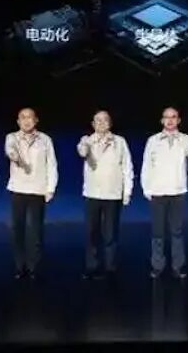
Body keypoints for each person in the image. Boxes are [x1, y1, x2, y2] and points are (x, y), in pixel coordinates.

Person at [141, 107, 188, 280]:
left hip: (178, 191)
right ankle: (157, 266)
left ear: (178, 120)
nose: (170, 120)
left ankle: (178, 266)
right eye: (166, 117)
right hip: (158, 191)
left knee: (177, 231)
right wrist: (146, 188)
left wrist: (187, 145)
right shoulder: (153, 140)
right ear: (162, 121)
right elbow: (146, 166)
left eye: (173, 117)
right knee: (158, 232)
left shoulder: (185, 139)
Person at [77, 110, 134, 280]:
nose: (101, 123)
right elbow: (82, 152)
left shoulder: (119, 142)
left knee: (110, 233)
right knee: (91, 232)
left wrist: (127, 191)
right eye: (98, 120)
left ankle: (110, 267)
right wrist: (85, 144)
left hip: (113, 193)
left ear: (110, 123)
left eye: (105, 120)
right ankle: (92, 266)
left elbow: (127, 167)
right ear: (93, 124)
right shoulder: (87, 140)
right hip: (92, 193)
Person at [5, 108, 58, 280]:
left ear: (36, 120)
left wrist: (50, 188)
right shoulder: (12, 138)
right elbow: (10, 150)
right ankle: (19, 266)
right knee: (17, 229)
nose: (26, 120)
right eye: (23, 117)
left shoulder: (45, 140)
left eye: (30, 117)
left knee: (35, 230)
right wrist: (15, 157)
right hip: (18, 189)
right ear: (18, 121)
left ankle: (33, 266)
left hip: (38, 189)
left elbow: (51, 164)